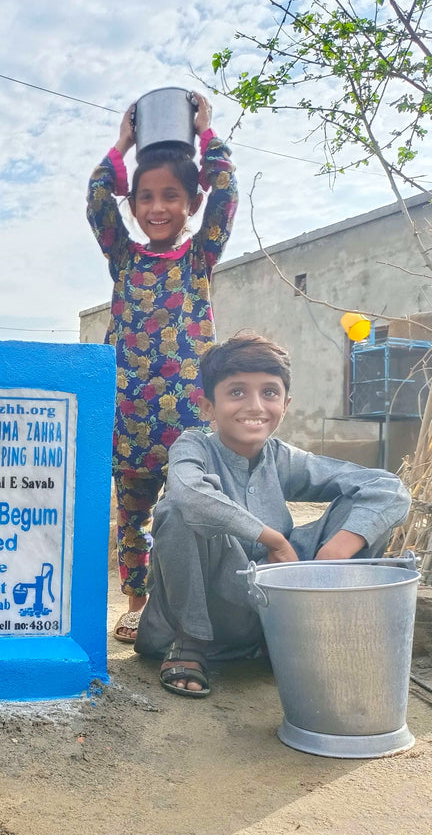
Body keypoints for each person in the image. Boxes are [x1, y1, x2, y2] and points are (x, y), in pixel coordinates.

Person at [134, 333, 412, 696]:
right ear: (207, 407)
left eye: (269, 393)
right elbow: (189, 494)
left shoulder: (284, 458)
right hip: (205, 615)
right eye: (236, 392)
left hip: (275, 613)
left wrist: (332, 556)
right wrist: (274, 540)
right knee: (178, 508)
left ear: (286, 404)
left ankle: (307, 636)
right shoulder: (194, 446)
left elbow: (387, 488)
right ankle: (191, 643)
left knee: (367, 509)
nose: (255, 406)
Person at [86, 91, 238, 644]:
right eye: (145, 197)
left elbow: (226, 193)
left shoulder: (200, 257)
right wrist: (123, 144)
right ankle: (135, 602)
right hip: (128, 418)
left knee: (192, 514)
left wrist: (206, 135)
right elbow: (98, 199)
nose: (156, 207)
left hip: (189, 425)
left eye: (171, 196)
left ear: (190, 203)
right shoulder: (123, 258)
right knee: (132, 520)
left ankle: (190, 608)